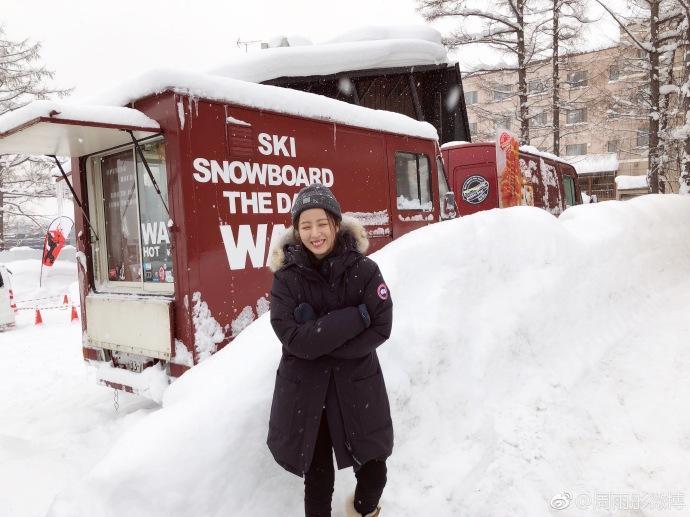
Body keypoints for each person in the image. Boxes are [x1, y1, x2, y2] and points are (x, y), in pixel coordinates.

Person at [267, 183, 394, 517]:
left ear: (336, 224)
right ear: (296, 231)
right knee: (318, 480)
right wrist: (355, 317)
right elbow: (293, 339)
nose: (315, 233)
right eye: (305, 226)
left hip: (356, 387)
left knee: (374, 471)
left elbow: (381, 326)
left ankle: (364, 510)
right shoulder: (286, 279)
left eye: (321, 223)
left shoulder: (365, 270)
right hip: (307, 395)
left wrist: (320, 341)